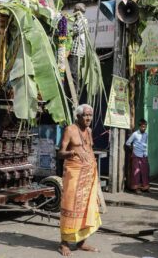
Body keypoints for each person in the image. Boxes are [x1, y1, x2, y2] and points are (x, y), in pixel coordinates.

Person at [57, 104, 101, 256]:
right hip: (74, 174)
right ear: (78, 116)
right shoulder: (70, 129)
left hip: (89, 175)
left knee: (86, 208)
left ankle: (81, 242)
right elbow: (60, 152)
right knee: (70, 206)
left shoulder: (88, 131)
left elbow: (89, 149)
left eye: (90, 115)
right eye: (85, 115)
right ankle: (64, 243)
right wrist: (71, 153)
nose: (88, 118)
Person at [125, 119, 150, 193]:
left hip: (144, 155)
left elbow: (145, 144)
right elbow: (128, 143)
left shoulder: (146, 134)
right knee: (136, 172)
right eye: (142, 127)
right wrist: (133, 149)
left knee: (145, 171)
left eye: (145, 127)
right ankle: (136, 188)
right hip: (136, 155)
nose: (144, 128)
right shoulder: (135, 134)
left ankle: (145, 187)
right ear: (139, 126)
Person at [68, 3, 88, 95]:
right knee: (72, 70)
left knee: (73, 71)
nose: (73, 12)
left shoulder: (81, 20)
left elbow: (76, 31)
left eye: (74, 11)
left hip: (77, 50)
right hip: (75, 49)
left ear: (78, 11)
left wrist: (67, 30)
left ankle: (75, 90)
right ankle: (73, 90)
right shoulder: (79, 19)